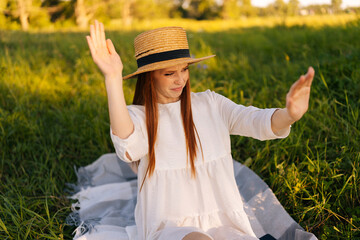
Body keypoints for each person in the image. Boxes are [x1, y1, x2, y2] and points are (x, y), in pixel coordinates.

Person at [78, 20, 315, 240]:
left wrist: (290, 114)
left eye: (184, 69)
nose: (180, 80)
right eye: (169, 73)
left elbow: (257, 121)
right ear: (149, 78)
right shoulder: (139, 116)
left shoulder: (211, 104)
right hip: (169, 224)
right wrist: (112, 78)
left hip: (222, 218)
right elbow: (127, 147)